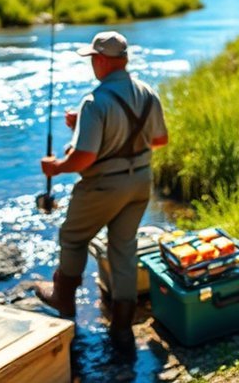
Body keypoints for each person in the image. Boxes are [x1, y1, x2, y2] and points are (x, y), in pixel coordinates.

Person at [35, 30, 168, 354]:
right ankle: (122, 329)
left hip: (103, 186)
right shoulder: (147, 93)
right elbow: (159, 140)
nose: (92, 64)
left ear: (103, 60)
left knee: (72, 237)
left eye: (93, 58)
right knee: (123, 247)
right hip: (140, 183)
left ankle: (63, 301)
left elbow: (84, 158)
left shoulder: (94, 102)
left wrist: (56, 168)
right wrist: (93, 128)